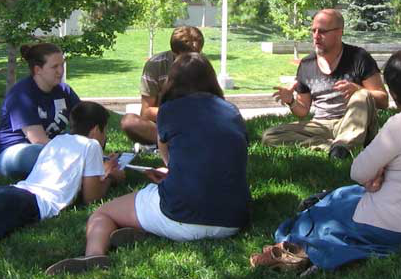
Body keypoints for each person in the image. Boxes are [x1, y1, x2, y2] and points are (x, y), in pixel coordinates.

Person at [251, 49, 401, 272]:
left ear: (395, 89)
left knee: (322, 212)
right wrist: (384, 170)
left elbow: (358, 172)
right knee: (343, 194)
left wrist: (379, 170)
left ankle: (295, 246)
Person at [46, 53, 251, 275]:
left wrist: (172, 173)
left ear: (171, 81)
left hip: (182, 214)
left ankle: (93, 256)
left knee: (102, 214)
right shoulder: (231, 111)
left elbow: (170, 161)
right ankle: (144, 231)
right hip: (234, 219)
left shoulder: (169, 111)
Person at [261, 9, 389, 159]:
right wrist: (291, 101)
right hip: (322, 124)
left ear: (339, 32)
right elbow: (302, 110)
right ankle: (330, 147)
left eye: (322, 31)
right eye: (313, 31)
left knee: (362, 94)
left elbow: (383, 101)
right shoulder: (307, 64)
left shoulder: (359, 57)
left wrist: (358, 89)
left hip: (354, 123)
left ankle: (343, 145)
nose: (316, 36)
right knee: (270, 136)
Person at [0, 101, 124, 240]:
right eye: (105, 130)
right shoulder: (92, 145)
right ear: (95, 130)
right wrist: (111, 178)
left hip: (15, 190)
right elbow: (91, 197)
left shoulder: (57, 140)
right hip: (34, 203)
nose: (105, 136)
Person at [0, 43, 80, 178]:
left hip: (49, 148)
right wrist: (78, 152)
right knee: (40, 154)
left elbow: (85, 119)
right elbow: (38, 140)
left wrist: (91, 145)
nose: (61, 71)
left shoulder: (64, 90)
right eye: (55, 66)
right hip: (16, 152)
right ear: (38, 70)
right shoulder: (21, 95)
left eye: (62, 64)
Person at [121, 26, 204, 145]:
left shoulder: (202, 66)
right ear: (174, 52)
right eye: (185, 57)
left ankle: (177, 143)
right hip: (163, 124)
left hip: (193, 125)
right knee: (129, 122)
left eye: (196, 55)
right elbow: (146, 112)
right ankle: (174, 142)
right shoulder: (155, 65)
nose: (191, 60)